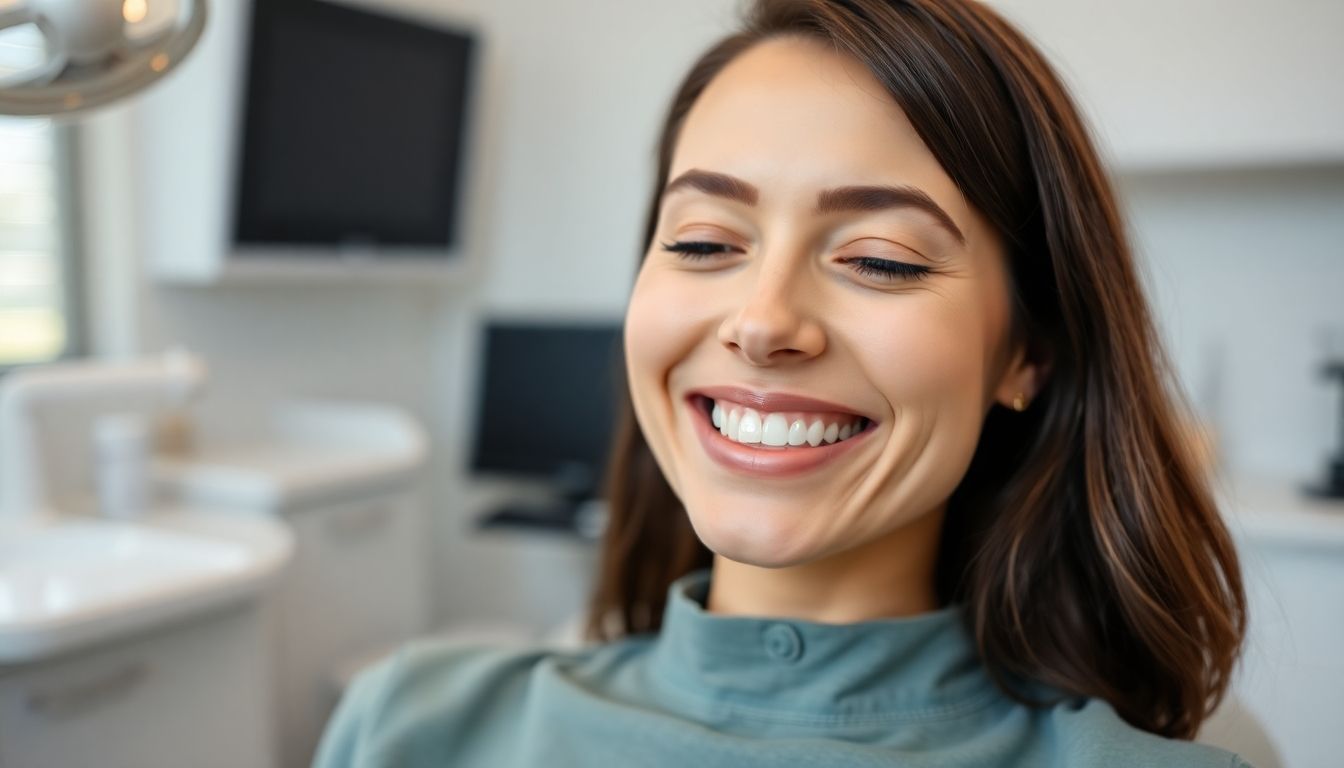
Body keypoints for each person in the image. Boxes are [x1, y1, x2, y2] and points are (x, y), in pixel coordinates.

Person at [314, 1, 1254, 765]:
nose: (761, 322)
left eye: (880, 260)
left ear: (1027, 354)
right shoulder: (407, 728)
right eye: (703, 242)